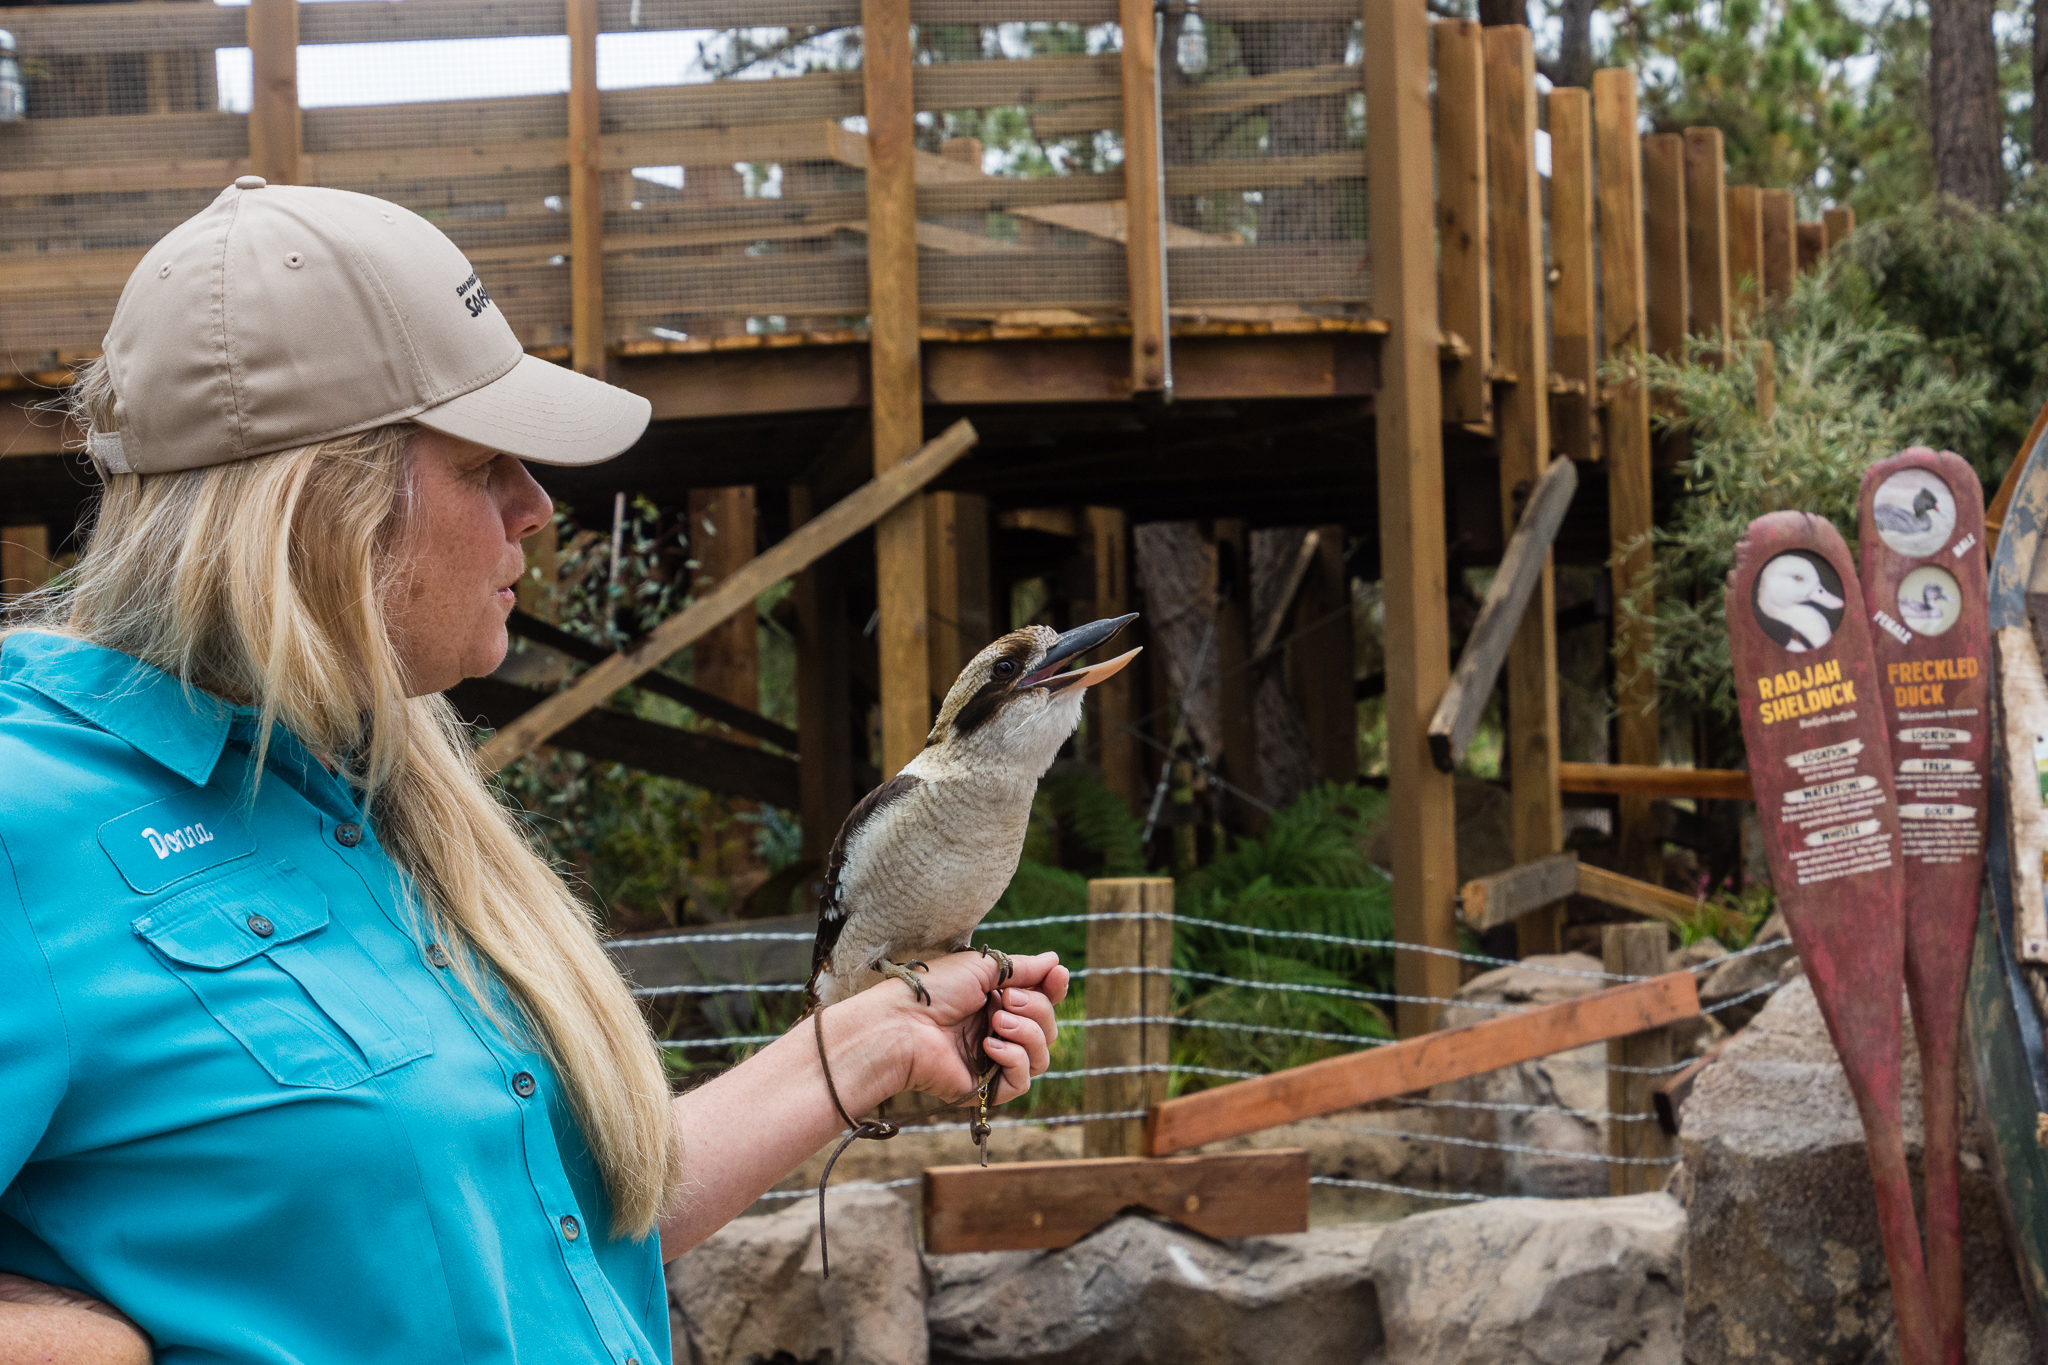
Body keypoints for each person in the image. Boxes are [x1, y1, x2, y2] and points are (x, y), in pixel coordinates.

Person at [0, 178, 1067, 1364]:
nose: (536, 506)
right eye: (482, 465)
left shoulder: (374, 788)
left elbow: (553, 1228)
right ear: (318, 503)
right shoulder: (25, 821)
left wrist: (863, 1049)